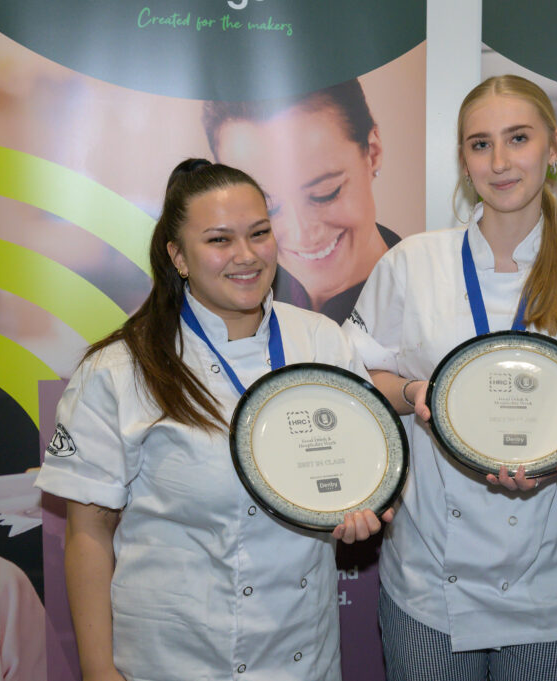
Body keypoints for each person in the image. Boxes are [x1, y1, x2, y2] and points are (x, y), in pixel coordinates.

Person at [34, 159, 388, 681]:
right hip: (170, 659)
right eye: (219, 240)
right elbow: (88, 532)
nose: (246, 255)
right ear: (178, 256)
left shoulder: (322, 342)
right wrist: (98, 670)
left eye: (259, 233)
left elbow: (364, 462)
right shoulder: (121, 368)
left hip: (302, 654)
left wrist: (364, 502)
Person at [342, 75, 557, 681]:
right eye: (480, 144)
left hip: (549, 584)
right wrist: (415, 393)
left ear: (554, 148)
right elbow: (360, 377)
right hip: (428, 584)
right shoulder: (413, 263)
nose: (499, 162)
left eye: (518, 138)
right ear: (463, 159)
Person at [203, 79, 400, 324]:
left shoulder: (421, 300)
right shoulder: (229, 307)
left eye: (325, 194)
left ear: (373, 152)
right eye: (268, 208)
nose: (302, 234)